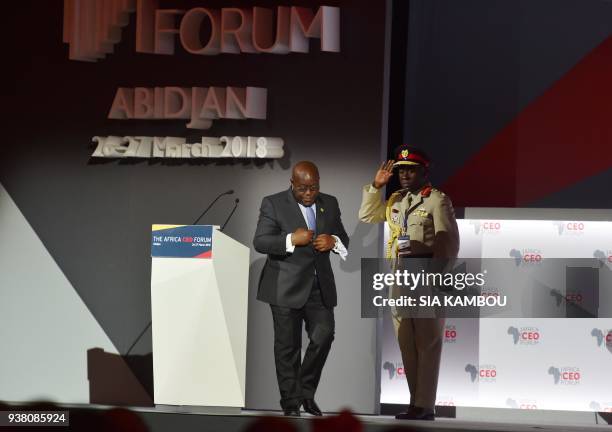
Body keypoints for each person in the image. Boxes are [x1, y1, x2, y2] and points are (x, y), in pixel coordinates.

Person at [359, 145, 459, 421]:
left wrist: (439, 278)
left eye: (410, 170)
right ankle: (416, 402)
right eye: (401, 170)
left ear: (424, 172)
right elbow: (367, 216)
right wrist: (374, 186)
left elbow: (447, 242)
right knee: (406, 343)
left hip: (426, 275)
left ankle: (425, 405)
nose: (404, 174)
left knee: (427, 343)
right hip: (400, 277)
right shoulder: (396, 199)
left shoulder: (437, 200)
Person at [253, 161, 349, 417]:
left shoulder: (330, 202)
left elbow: (343, 237)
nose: (309, 194)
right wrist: (290, 240)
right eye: (303, 189)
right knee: (287, 347)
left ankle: (305, 391)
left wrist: (334, 241)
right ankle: (291, 403)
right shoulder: (273, 203)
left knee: (324, 336)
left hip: (320, 287)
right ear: (292, 184)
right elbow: (260, 241)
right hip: (284, 286)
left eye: (314, 188)